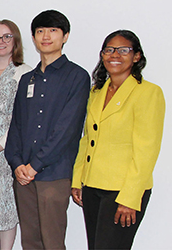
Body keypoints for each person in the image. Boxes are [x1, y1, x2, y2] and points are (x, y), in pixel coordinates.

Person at [71, 30, 165, 249]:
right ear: (102, 55)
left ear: (137, 57)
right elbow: (87, 139)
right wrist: (78, 179)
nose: (115, 55)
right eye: (109, 50)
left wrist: (130, 198)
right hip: (93, 186)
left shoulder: (149, 93)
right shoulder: (97, 92)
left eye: (124, 50)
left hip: (123, 191)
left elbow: (146, 151)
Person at [4, 10, 90, 249]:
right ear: (33, 37)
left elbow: (67, 130)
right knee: (30, 240)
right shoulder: (27, 79)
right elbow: (17, 126)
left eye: (53, 30)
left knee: (52, 241)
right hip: (23, 176)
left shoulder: (77, 76)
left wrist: (35, 165)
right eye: (40, 31)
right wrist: (17, 164)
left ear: (65, 36)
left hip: (54, 174)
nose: (46, 36)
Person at [0, 19, 32, 250]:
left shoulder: (25, 74)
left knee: (5, 206)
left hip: (7, 151)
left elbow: (23, 117)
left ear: (16, 41)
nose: (1, 41)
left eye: (6, 36)